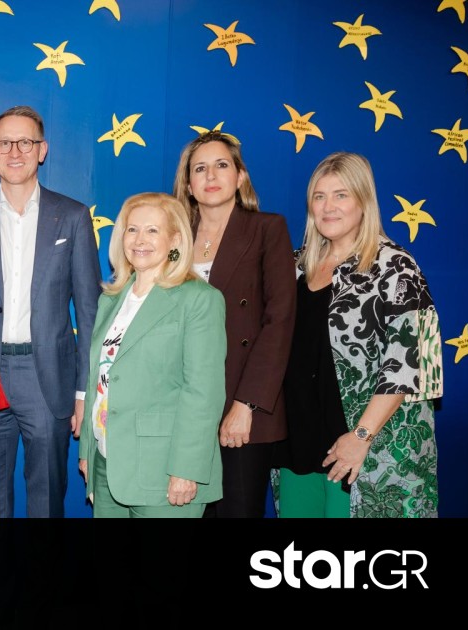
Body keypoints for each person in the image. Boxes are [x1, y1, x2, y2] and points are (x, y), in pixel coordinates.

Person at [0, 105, 101, 518]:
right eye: (4, 143)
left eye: (25, 142)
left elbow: (89, 311)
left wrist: (84, 393)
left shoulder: (73, 217)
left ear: (42, 150)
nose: (15, 152)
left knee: (47, 497)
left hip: (48, 375)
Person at [277, 152, 442, 518]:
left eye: (341, 195)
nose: (328, 206)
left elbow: (413, 364)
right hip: (298, 445)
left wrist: (361, 437)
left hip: (364, 451)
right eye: (319, 196)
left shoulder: (396, 267)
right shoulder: (294, 265)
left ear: (364, 201)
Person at [77, 192, 226, 517]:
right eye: (132, 229)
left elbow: (203, 392)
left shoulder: (198, 300)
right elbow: (97, 378)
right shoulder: (111, 299)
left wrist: (187, 468)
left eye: (152, 230)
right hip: (107, 463)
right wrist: (88, 448)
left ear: (175, 239)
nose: (139, 239)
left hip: (165, 470)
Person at [172, 131, 296, 518]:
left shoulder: (267, 229)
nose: (211, 175)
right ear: (188, 184)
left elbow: (279, 321)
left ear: (240, 176)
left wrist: (246, 404)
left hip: (241, 406)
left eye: (222, 165)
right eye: (200, 169)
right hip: (180, 406)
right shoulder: (173, 239)